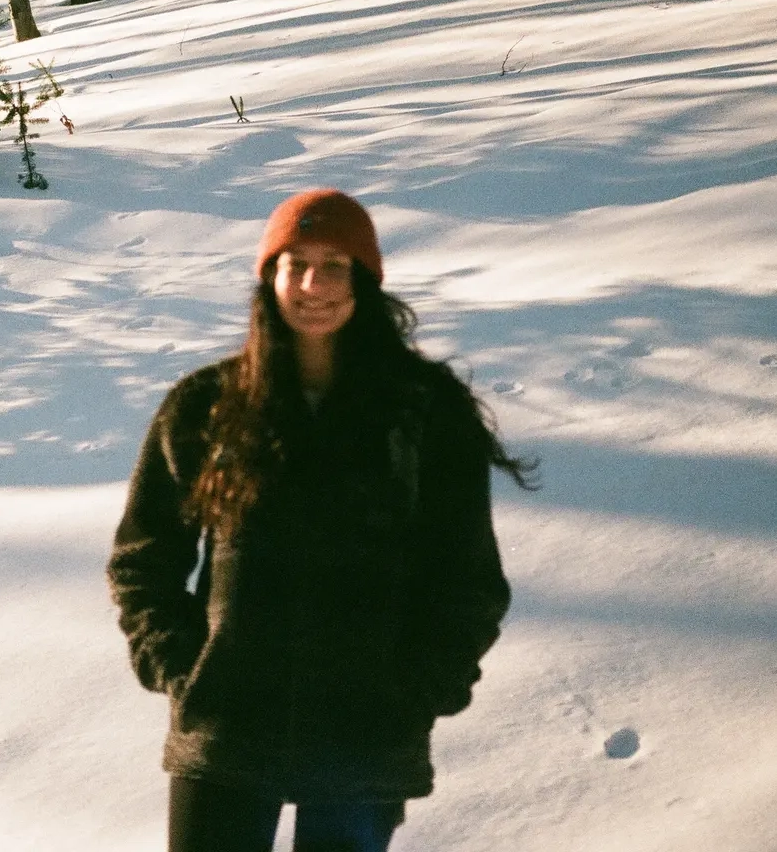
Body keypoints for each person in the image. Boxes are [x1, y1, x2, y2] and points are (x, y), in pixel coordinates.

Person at [107, 189, 536, 852]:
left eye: (334, 264)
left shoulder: (422, 412)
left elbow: (468, 580)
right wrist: (185, 669)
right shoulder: (206, 407)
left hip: (364, 741)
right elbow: (143, 559)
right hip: (225, 737)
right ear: (268, 276)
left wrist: (417, 692)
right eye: (295, 263)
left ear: (365, 279)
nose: (314, 284)